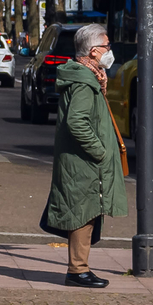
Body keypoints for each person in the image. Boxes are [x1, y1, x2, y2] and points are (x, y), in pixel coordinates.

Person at [42, 22, 127, 289]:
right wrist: (100, 151)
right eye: (106, 45)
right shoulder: (83, 83)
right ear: (93, 51)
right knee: (83, 213)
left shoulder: (89, 78)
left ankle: (80, 269)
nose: (109, 50)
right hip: (84, 162)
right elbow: (76, 123)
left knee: (88, 212)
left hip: (84, 161)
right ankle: (77, 271)